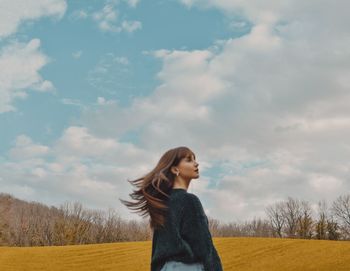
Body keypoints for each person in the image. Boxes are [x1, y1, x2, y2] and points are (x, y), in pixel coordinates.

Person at [120, 146, 223, 271]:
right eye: (189, 160)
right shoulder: (190, 201)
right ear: (175, 169)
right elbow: (204, 248)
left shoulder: (161, 205)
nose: (196, 163)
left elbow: (157, 251)